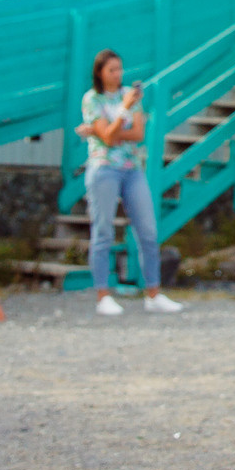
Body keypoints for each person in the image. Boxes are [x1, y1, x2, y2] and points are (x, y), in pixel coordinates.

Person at [77, 51, 181, 316]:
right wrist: (119, 115)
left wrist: (103, 131)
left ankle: (154, 292)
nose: (117, 74)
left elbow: (137, 133)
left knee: (148, 230)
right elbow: (109, 139)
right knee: (103, 231)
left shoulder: (131, 95)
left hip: (132, 168)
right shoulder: (92, 99)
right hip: (104, 169)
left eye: (120, 69)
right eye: (111, 70)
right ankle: (102, 294)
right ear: (100, 72)